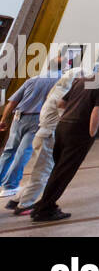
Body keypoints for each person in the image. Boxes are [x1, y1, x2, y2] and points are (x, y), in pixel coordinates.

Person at [30, 53, 99, 223]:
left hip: (64, 126)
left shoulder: (84, 79)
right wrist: (92, 133)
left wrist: (71, 114)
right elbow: (98, 109)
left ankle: (45, 204)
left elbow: (62, 103)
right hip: (79, 131)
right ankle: (44, 209)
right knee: (65, 170)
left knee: (59, 168)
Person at [7, 60, 89, 215]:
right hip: (49, 136)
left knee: (39, 170)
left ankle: (18, 199)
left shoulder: (57, 91)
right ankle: (25, 204)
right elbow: (66, 118)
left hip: (42, 133)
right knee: (43, 172)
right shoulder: (62, 96)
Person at [0, 58, 62, 197]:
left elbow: (13, 101)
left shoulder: (33, 79)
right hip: (38, 119)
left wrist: (3, 119)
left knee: (9, 151)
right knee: (24, 152)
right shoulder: (61, 82)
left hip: (19, 117)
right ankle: (10, 185)